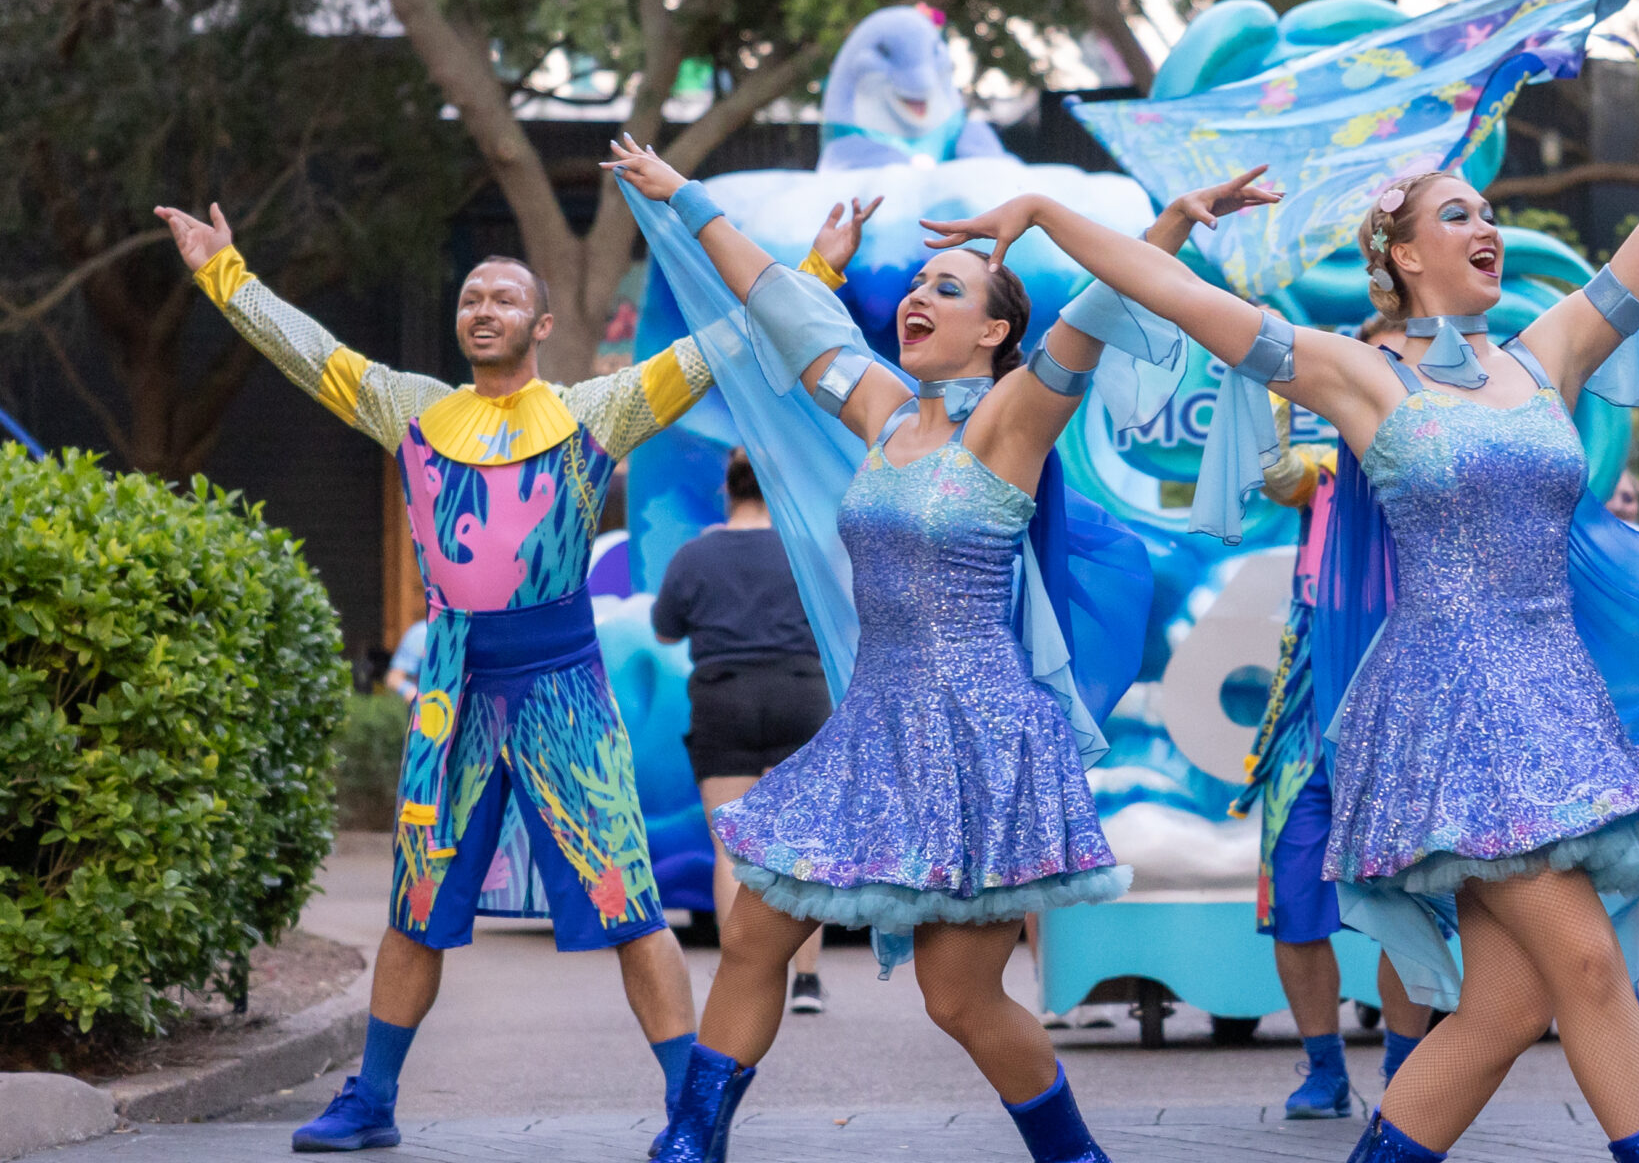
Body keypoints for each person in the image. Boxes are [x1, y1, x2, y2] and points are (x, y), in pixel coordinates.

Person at [920, 55, 1639, 1163]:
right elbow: (1185, 301)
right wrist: (1044, 211)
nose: (1487, 227)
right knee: (1588, 966)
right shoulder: (1363, 377)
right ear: (1405, 256)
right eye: (1458, 214)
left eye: (1490, 214)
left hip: (1552, 702)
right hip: (1449, 708)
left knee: (1506, 1008)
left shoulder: (1550, 353)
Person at [606, 137, 1278, 1163]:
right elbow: (787, 309)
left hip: (977, 736)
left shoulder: (1012, 421)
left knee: (958, 996)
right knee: (752, 933)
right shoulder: (882, 415)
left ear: (995, 331)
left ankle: (1075, 1156)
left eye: (947, 287)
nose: (918, 295)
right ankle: (688, 1142)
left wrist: (1174, 221)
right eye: (916, 284)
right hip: (871, 726)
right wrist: (686, 197)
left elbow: (1105, 304)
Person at [156, 205, 715, 1155]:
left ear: (542, 324)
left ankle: (691, 1109)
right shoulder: (414, 408)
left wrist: (811, 274)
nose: (482, 308)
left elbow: (709, 355)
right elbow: (312, 355)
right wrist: (224, 276)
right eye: (471, 297)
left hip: (563, 687)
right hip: (455, 691)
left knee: (630, 901)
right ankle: (372, 1098)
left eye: (504, 298)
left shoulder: (595, 411)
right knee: (415, 903)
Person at [1240, 334, 1433, 1119]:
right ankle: (1323, 1070)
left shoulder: (1432, 467)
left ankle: (1408, 1075)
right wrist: (1265, 368)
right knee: (1291, 894)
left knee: (1410, 899)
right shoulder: (1323, 472)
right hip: (1310, 705)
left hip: (1404, 695)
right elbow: (1276, 472)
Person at [655, 451, 833, 1014]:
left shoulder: (694, 555)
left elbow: (664, 632)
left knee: (730, 850)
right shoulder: (802, 548)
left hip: (723, 698)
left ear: (726, 491)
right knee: (799, 844)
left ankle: (739, 979)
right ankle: (806, 982)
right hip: (799, 694)